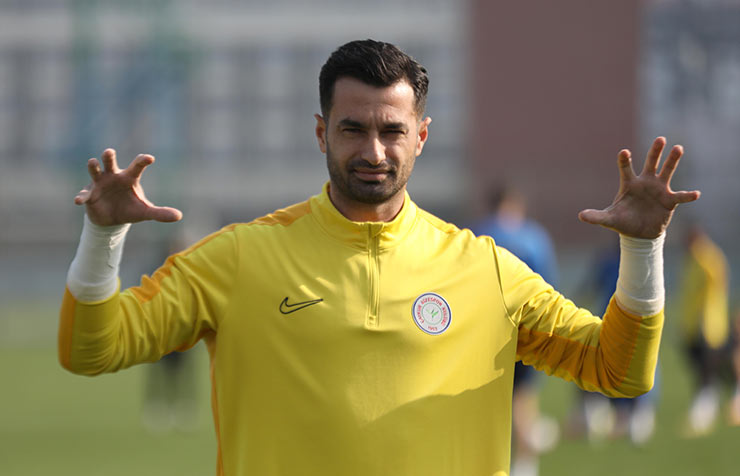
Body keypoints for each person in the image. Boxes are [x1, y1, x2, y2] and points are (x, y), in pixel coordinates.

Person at [58, 39, 700, 475]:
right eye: (353, 129)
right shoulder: (238, 259)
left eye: (392, 131)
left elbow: (621, 371)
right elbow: (93, 350)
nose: (374, 151)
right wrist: (103, 237)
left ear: (421, 136)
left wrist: (643, 248)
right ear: (321, 133)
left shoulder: (486, 270)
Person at [471, 186, 559, 476]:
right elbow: (548, 283)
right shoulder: (534, 236)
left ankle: (486, 462)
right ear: (515, 204)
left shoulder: (476, 234)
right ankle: (525, 464)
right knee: (523, 396)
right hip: (525, 326)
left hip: (483, 330)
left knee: (482, 397)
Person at [678, 225, 730, 436]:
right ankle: (707, 409)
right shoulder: (694, 259)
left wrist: (701, 317)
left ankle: (703, 414)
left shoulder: (705, 257)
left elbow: (717, 285)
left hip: (707, 325)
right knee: (703, 370)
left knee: (707, 370)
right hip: (696, 325)